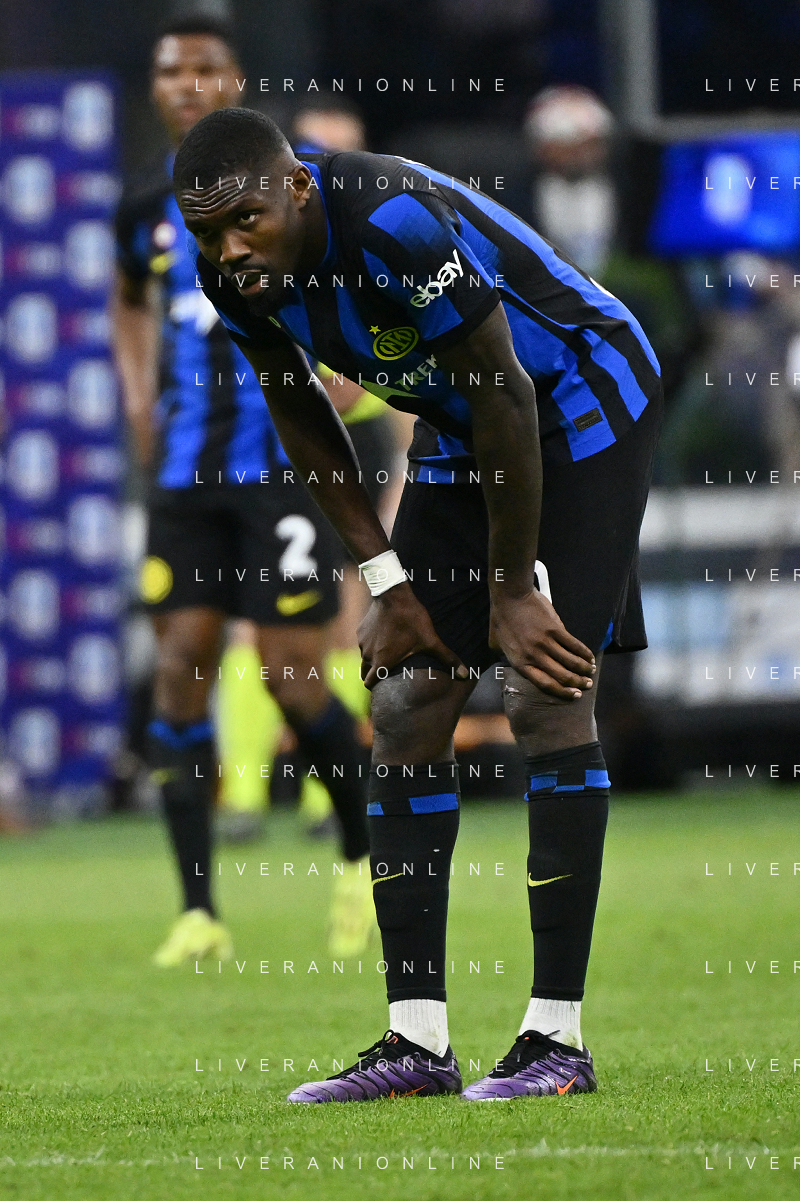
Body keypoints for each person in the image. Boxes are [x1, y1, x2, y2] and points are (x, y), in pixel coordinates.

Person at [172, 107, 662, 1101]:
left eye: (245, 221)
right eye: (208, 234)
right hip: (460, 412)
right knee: (403, 698)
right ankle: (416, 1043)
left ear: (297, 188)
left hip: (575, 396)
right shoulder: (231, 270)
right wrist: (387, 583)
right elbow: (299, 410)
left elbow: (509, 393)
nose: (229, 250)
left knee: (543, 689)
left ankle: (555, 1039)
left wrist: (511, 590)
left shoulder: (391, 219)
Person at [113, 20, 372, 968]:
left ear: (237, 80)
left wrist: (353, 369)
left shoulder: (297, 181)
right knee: (180, 661)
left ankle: (363, 856)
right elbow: (127, 301)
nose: (186, 84)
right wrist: (136, 397)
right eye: (170, 70)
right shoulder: (142, 205)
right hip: (185, 475)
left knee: (292, 676)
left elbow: (356, 275)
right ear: (155, 88)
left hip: (282, 468)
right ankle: (197, 913)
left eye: (204, 68)